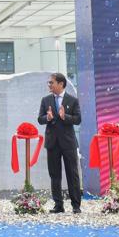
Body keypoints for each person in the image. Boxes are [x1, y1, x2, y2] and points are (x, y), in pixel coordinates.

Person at [37, 72, 82, 214]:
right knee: (54, 174)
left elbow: (78, 119)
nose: (49, 85)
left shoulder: (72, 100)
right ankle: (58, 204)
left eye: (52, 82)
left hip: (68, 143)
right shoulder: (45, 100)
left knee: (72, 174)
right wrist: (48, 118)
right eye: (49, 83)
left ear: (61, 84)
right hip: (52, 142)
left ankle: (76, 205)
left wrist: (65, 116)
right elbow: (40, 118)